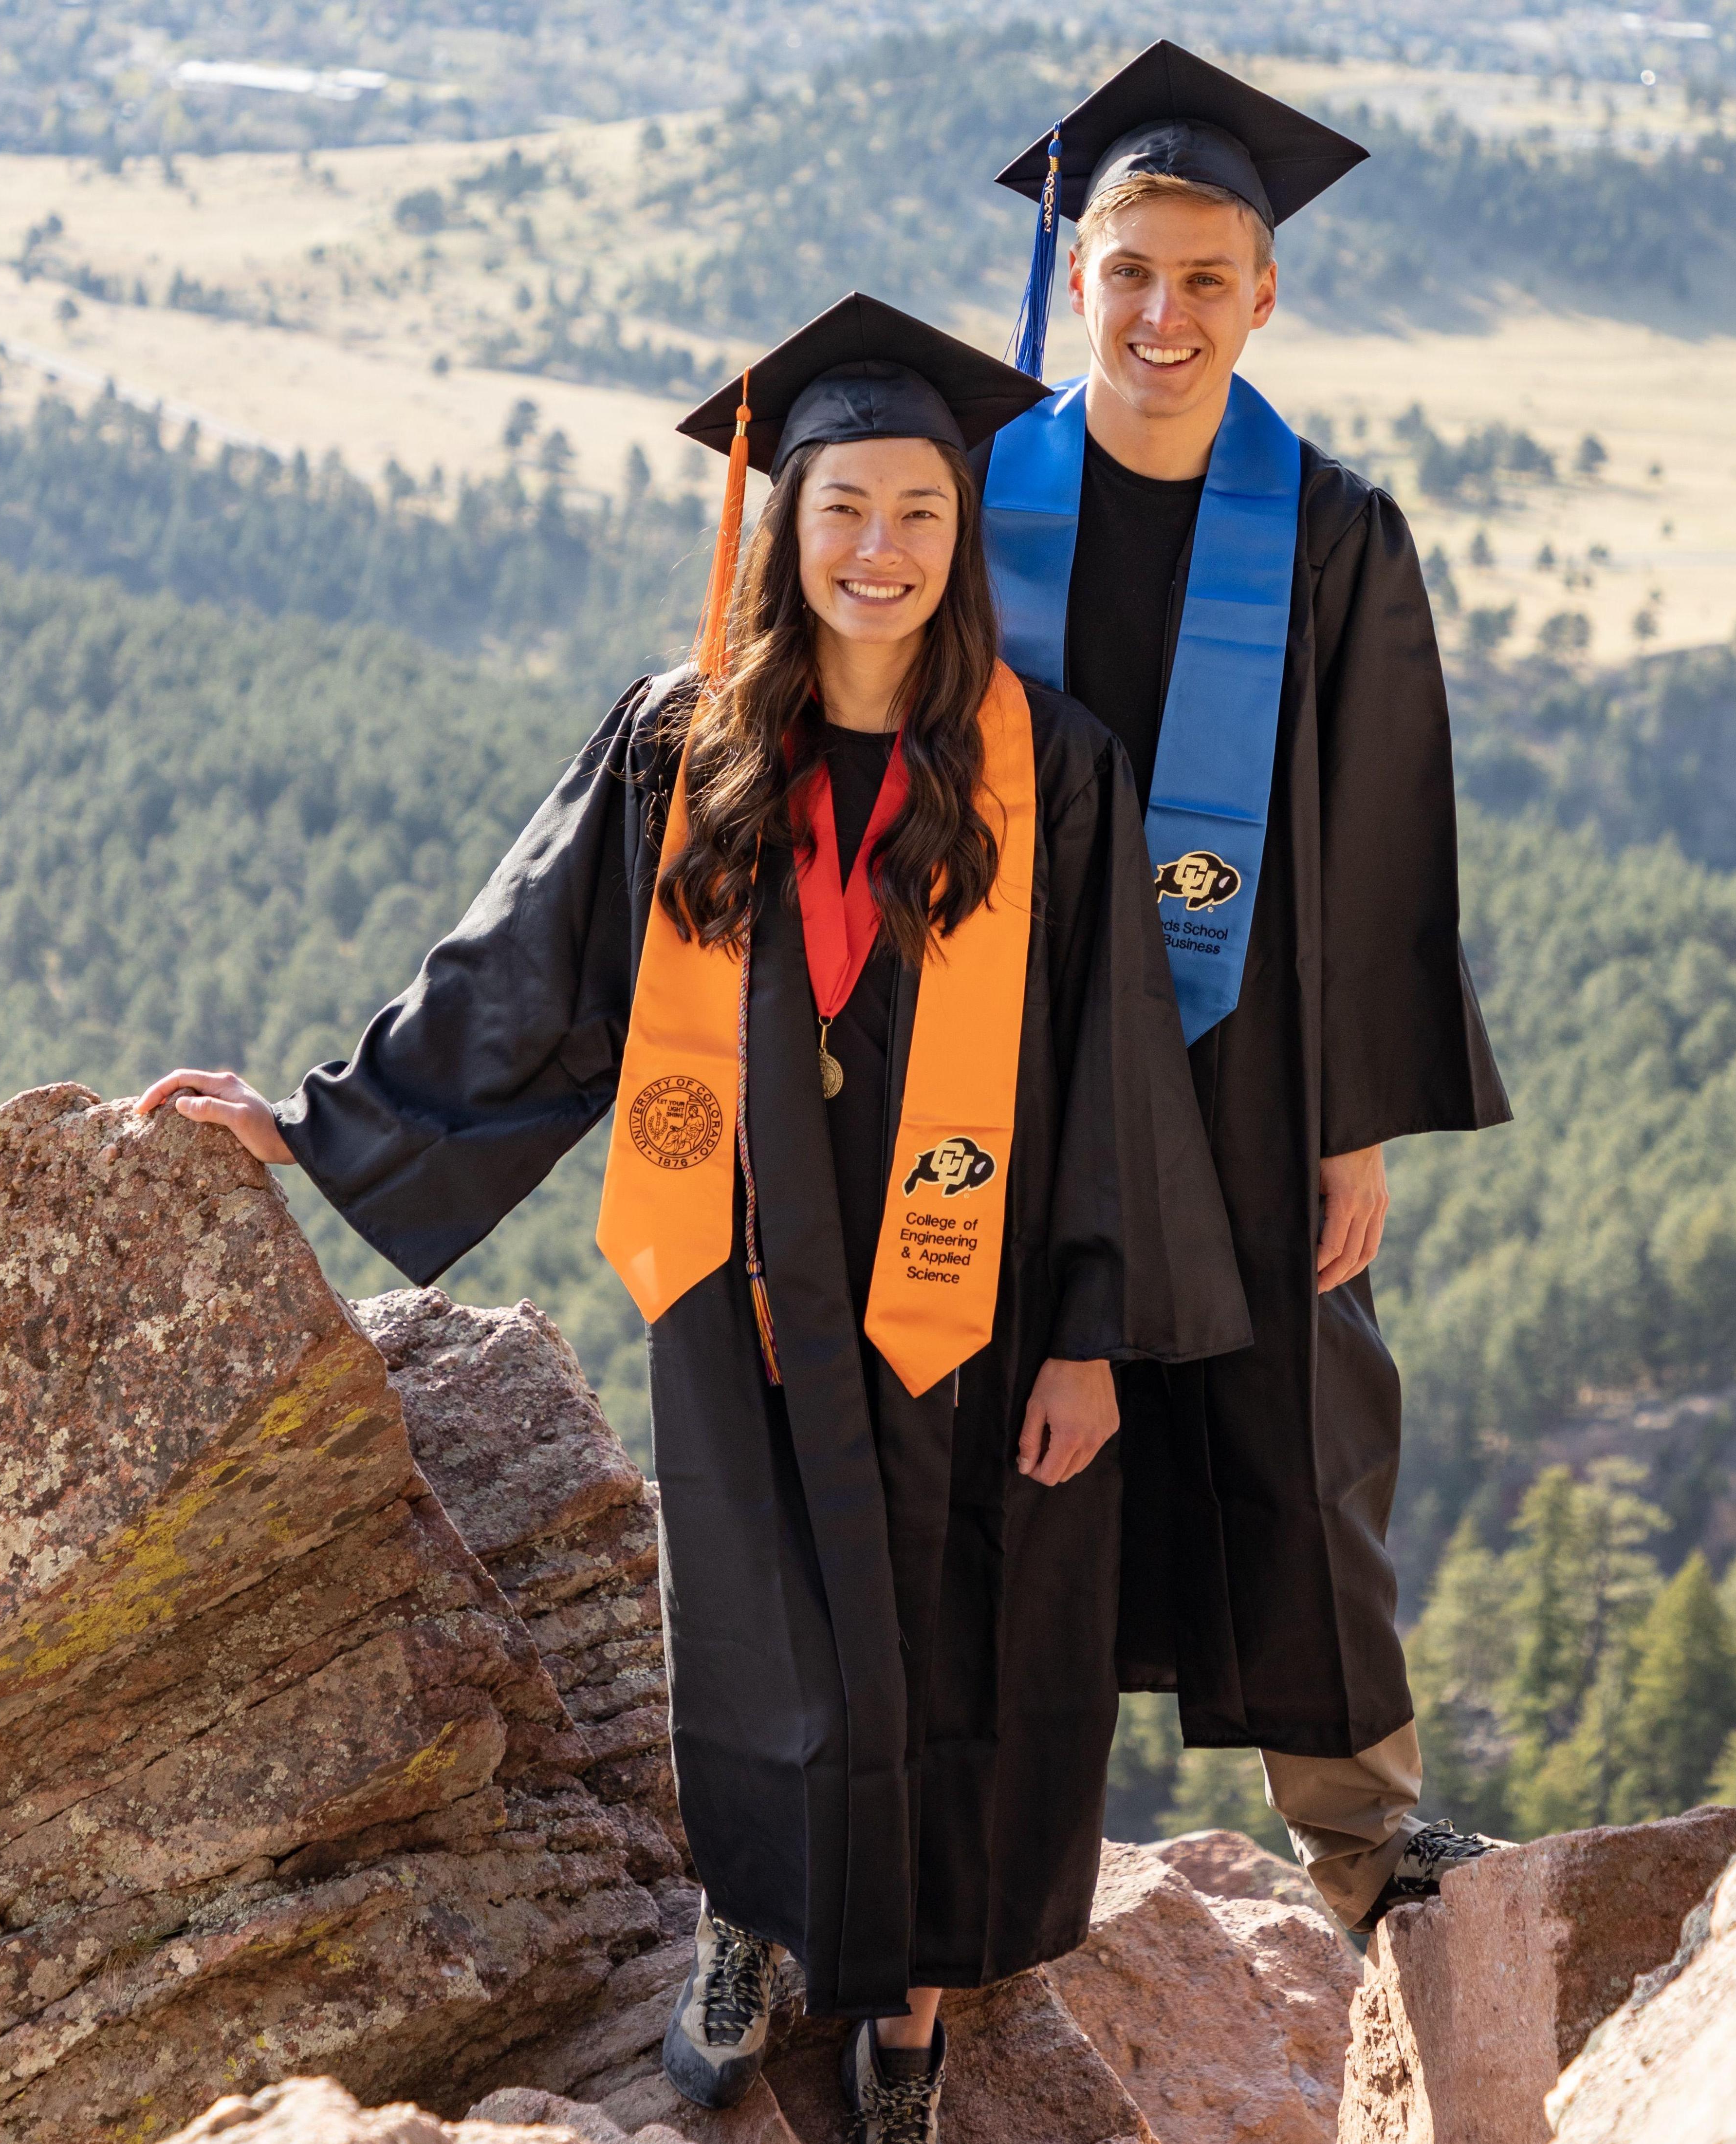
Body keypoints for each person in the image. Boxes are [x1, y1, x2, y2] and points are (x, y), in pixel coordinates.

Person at [137, 292, 1245, 2143]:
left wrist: (1088, 1328)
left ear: (962, 532)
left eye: (915, 511)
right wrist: (320, 1125)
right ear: (782, 526)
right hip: (740, 1267)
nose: (878, 553)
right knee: (754, 1617)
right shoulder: (683, 745)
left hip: (969, 1295)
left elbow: (1112, 1060)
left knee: (961, 1628)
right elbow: (524, 973)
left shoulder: (1046, 767)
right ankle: (746, 1927)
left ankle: (907, 2015)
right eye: (841, 512)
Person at [976, 43, 1514, 1934]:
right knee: (1014, 1427)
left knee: (1303, 1420)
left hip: (1257, 1045)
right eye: (1131, 272)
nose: (1165, 312)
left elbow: (1383, 838)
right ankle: (990, 1857)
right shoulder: (973, 504)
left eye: (1209, 279)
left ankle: (1366, 1833)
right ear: (1076, 281)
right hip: (1019, 1059)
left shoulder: (1339, 530)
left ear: (1266, 294)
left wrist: (1357, 1118)